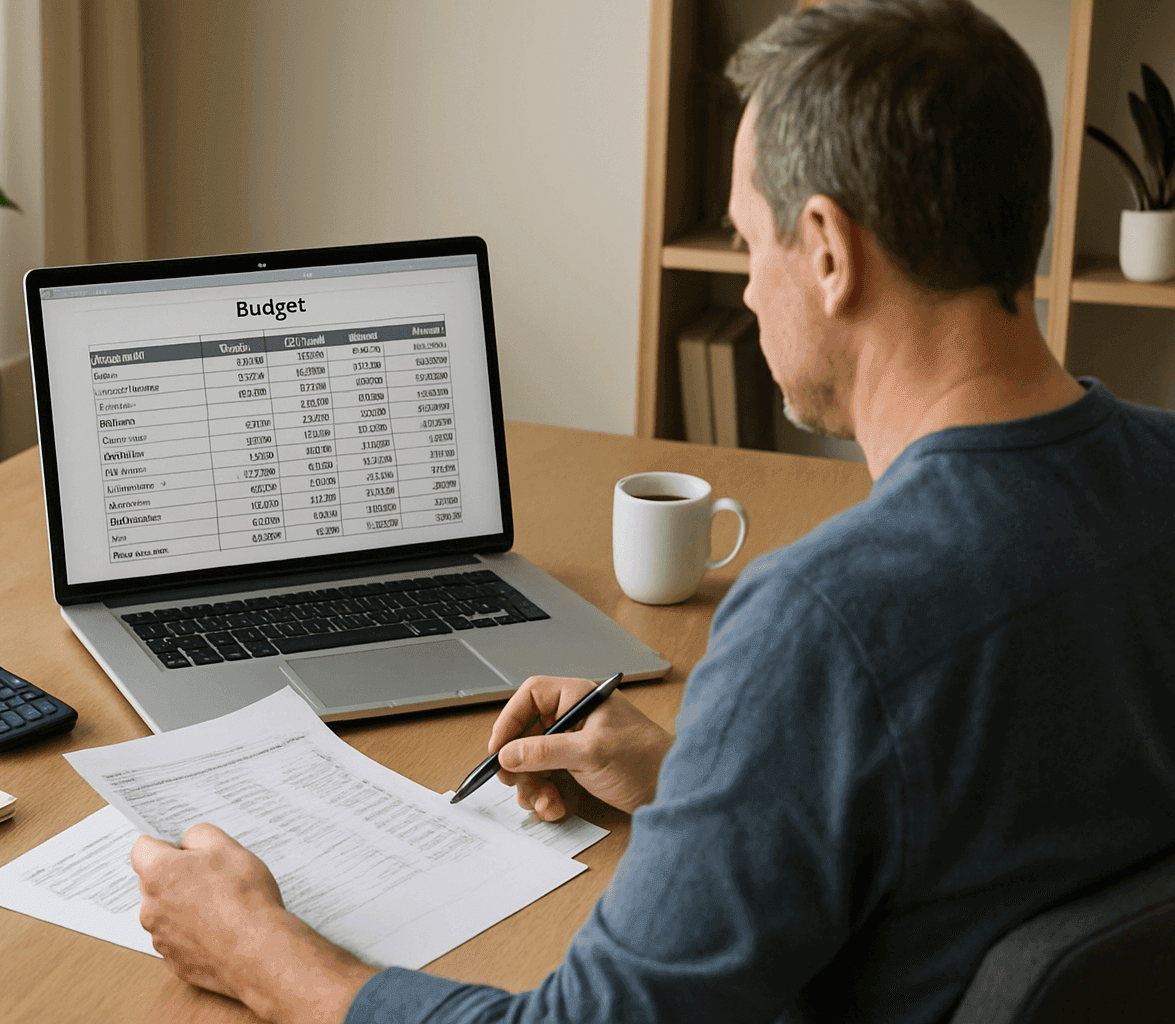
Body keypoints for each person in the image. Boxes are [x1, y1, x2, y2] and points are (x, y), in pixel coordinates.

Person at [129, 1, 1175, 1021]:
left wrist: (266, 955)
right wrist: (715, 782)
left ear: (827, 249)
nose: (750, 290)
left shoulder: (825, 624)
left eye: (749, 242)